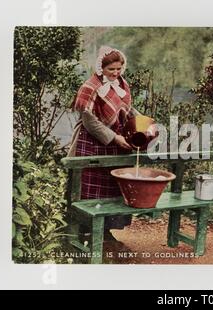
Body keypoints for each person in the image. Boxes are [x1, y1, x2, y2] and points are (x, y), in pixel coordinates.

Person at [68, 46, 141, 242]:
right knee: (89, 187)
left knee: (112, 186)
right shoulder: (90, 86)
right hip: (92, 141)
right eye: (111, 69)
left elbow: (127, 109)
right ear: (101, 67)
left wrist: (141, 122)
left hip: (116, 140)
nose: (116, 73)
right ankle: (85, 231)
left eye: (119, 68)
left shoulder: (122, 84)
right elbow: (89, 120)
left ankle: (105, 231)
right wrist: (114, 137)